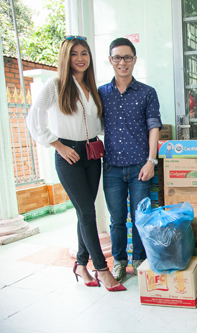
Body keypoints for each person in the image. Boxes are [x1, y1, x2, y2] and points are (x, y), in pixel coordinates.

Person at [27, 36, 125, 291]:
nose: (80, 58)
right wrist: (57, 144)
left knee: (86, 211)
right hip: (68, 154)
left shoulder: (91, 87)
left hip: (92, 153)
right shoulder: (55, 84)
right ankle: (101, 269)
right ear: (65, 57)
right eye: (74, 54)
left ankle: (81, 265)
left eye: (84, 53)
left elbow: (99, 124)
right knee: (87, 212)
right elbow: (34, 119)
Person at [99, 37, 162, 282]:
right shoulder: (101, 93)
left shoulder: (147, 92)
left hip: (140, 166)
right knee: (116, 220)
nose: (122, 62)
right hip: (112, 167)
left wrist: (151, 161)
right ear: (110, 60)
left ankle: (138, 260)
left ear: (134, 60)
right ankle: (119, 262)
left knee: (140, 218)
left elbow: (154, 127)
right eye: (117, 57)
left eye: (127, 57)